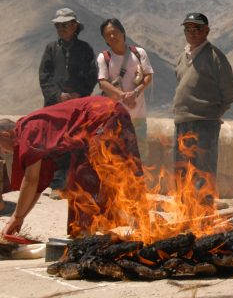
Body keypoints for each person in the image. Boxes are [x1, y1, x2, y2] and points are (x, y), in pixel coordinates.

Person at [0, 97, 144, 237]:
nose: (3, 152)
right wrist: (20, 216)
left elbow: (31, 180)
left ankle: (93, 231)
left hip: (104, 115)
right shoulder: (30, 129)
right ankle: (83, 232)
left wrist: (17, 217)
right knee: (77, 179)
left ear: (5, 135)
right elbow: (36, 186)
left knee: (92, 174)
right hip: (106, 116)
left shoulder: (29, 129)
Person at [39, 7, 98, 198]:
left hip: (77, 106)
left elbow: (91, 76)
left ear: (75, 26)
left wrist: (79, 94)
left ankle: (76, 183)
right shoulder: (51, 49)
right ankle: (56, 184)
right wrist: (57, 95)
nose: (61, 29)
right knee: (54, 144)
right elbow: (44, 76)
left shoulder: (86, 49)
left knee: (77, 143)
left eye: (65, 25)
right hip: (55, 106)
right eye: (58, 26)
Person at [173, 13, 233, 183]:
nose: (191, 32)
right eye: (187, 29)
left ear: (206, 30)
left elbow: (230, 92)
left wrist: (212, 113)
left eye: (197, 28)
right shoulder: (182, 57)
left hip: (205, 124)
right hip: (182, 122)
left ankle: (203, 209)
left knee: (202, 173)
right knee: (182, 171)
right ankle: (184, 209)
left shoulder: (215, 57)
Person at [97, 18, 154, 163]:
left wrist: (135, 93)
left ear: (123, 33)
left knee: (140, 158)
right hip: (115, 117)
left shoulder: (139, 53)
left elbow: (148, 76)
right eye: (107, 35)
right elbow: (102, 82)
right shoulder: (104, 58)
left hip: (138, 117)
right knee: (117, 158)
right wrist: (123, 96)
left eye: (115, 32)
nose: (112, 36)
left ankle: (139, 185)